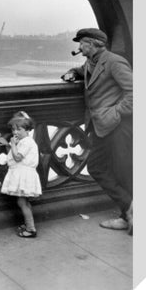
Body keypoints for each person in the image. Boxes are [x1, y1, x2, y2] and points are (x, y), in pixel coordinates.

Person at [61, 28, 133, 234]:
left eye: (82, 43)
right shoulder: (92, 62)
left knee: (122, 170)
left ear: (92, 44)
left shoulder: (115, 62)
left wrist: (115, 112)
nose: (79, 47)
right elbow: (83, 71)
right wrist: (72, 73)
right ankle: (129, 210)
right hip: (102, 126)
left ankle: (128, 214)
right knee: (98, 167)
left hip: (118, 126)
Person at [0, 111, 41, 238]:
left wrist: (11, 144)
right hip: (23, 174)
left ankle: (31, 229)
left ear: (27, 130)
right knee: (24, 202)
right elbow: (14, 153)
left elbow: (17, 157)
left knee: (22, 203)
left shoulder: (27, 142)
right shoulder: (23, 141)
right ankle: (29, 224)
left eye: (19, 129)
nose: (15, 132)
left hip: (24, 175)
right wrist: (9, 145)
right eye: (13, 129)